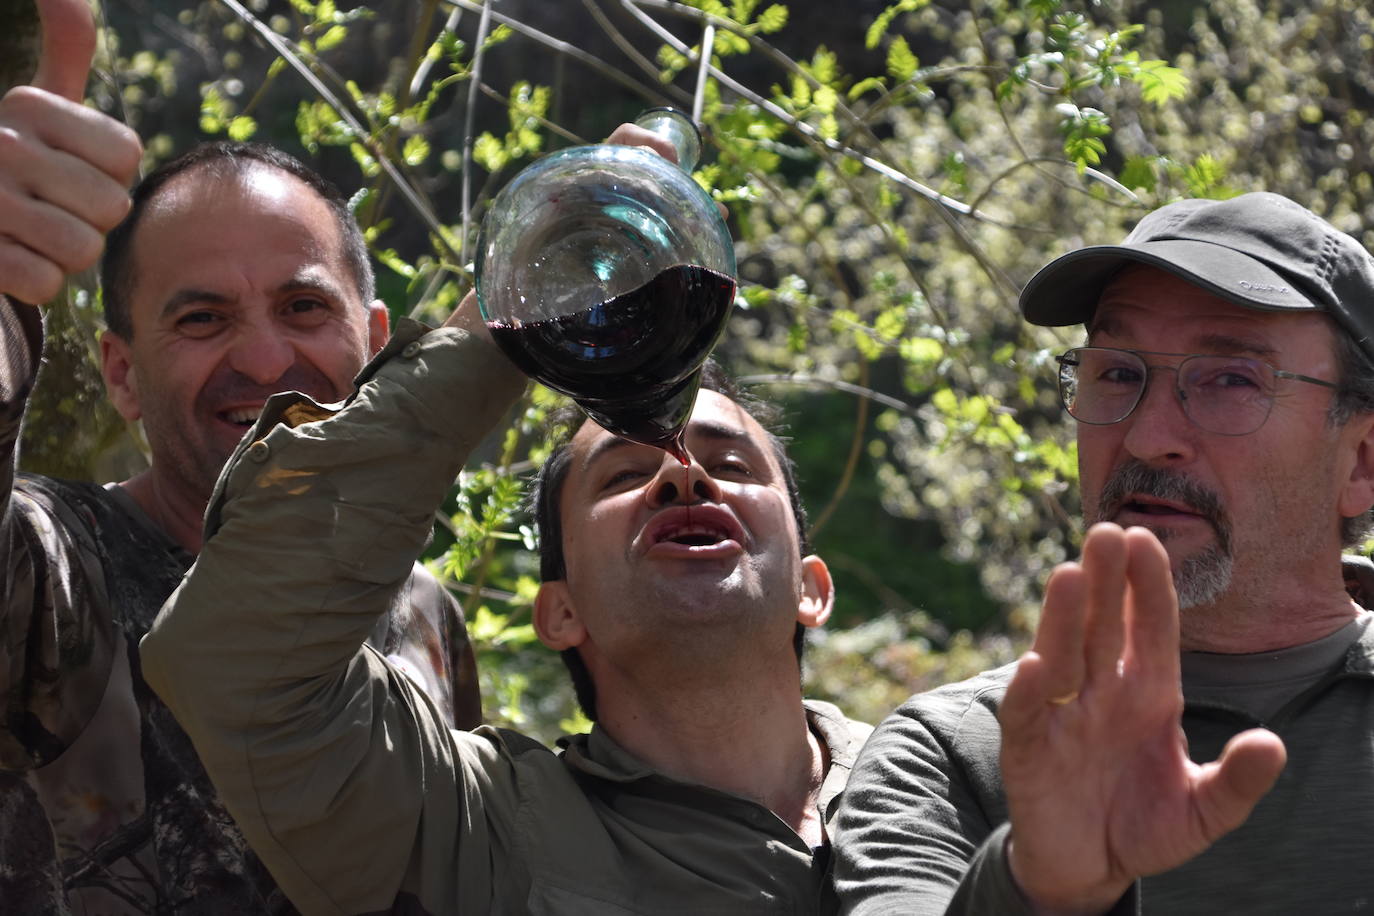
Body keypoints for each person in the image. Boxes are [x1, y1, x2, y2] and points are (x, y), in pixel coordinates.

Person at [138, 258, 872, 909]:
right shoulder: (473, 831)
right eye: (623, 473)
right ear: (558, 611)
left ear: (812, 587)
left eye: (735, 466)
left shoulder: (949, 774)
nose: (684, 474)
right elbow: (233, 659)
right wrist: (515, 308)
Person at [1, 0, 480, 911]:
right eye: (201, 318)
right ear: (122, 374)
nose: (265, 361)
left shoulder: (423, 613)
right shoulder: (54, 568)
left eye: (304, 308)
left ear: (375, 342)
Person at [832, 190, 1374, 914]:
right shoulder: (954, 754)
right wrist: (1040, 889)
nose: (1148, 438)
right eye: (1117, 372)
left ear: (1363, 460)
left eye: (1231, 381)